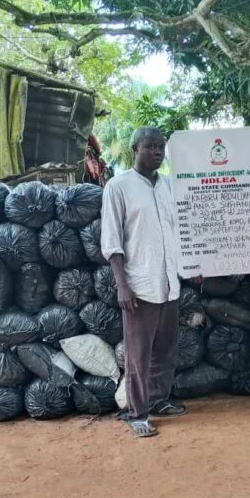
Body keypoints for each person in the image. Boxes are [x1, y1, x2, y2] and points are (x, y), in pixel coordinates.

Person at [100, 126, 186, 438]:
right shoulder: (119, 186)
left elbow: (178, 231)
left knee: (165, 350)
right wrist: (122, 284)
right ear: (135, 148)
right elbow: (111, 240)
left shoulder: (168, 186)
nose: (157, 152)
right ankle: (138, 412)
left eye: (161, 147)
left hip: (169, 282)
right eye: (150, 146)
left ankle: (159, 399)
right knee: (138, 355)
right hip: (140, 285)